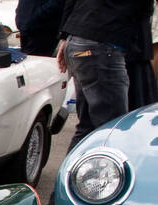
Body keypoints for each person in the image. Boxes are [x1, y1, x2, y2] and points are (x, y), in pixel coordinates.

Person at [57, 0, 154, 145]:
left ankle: (73, 167)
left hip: (78, 38)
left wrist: (65, 37)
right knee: (113, 129)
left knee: (88, 127)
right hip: (102, 45)